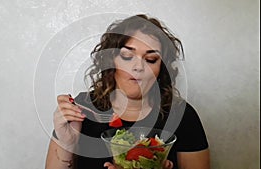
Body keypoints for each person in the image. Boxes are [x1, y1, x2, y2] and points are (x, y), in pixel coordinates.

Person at [45, 14, 210, 169]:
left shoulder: (182, 115)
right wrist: (67, 143)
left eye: (151, 59)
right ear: (111, 61)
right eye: (127, 56)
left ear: (162, 68)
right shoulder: (82, 108)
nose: (138, 67)